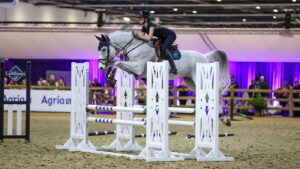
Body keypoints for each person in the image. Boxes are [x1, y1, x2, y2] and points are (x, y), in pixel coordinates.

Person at [135, 10, 178, 74]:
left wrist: (139, 36)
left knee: (164, 48)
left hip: (170, 35)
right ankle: (160, 59)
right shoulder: (144, 28)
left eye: (141, 17)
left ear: (146, 18)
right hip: (162, 37)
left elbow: (148, 38)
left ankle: (173, 68)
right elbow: (143, 37)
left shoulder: (151, 25)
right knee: (153, 44)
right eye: (139, 18)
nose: (139, 19)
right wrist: (136, 36)